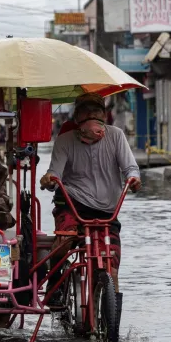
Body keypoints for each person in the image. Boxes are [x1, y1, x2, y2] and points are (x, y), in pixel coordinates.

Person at [40, 94, 141, 319]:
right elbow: (54, 172)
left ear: (104, 117)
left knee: (111, 266)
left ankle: (111, 319)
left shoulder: (116, 137)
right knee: (65, 240)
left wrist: (134, 179)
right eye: (87, 113)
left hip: (107, 210)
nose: (94, 118)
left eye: (97, 113)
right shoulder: (65, 140)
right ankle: (54, 289)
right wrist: (48, 179)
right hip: (72, 204)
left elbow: (130, 168)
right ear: (77, 119)